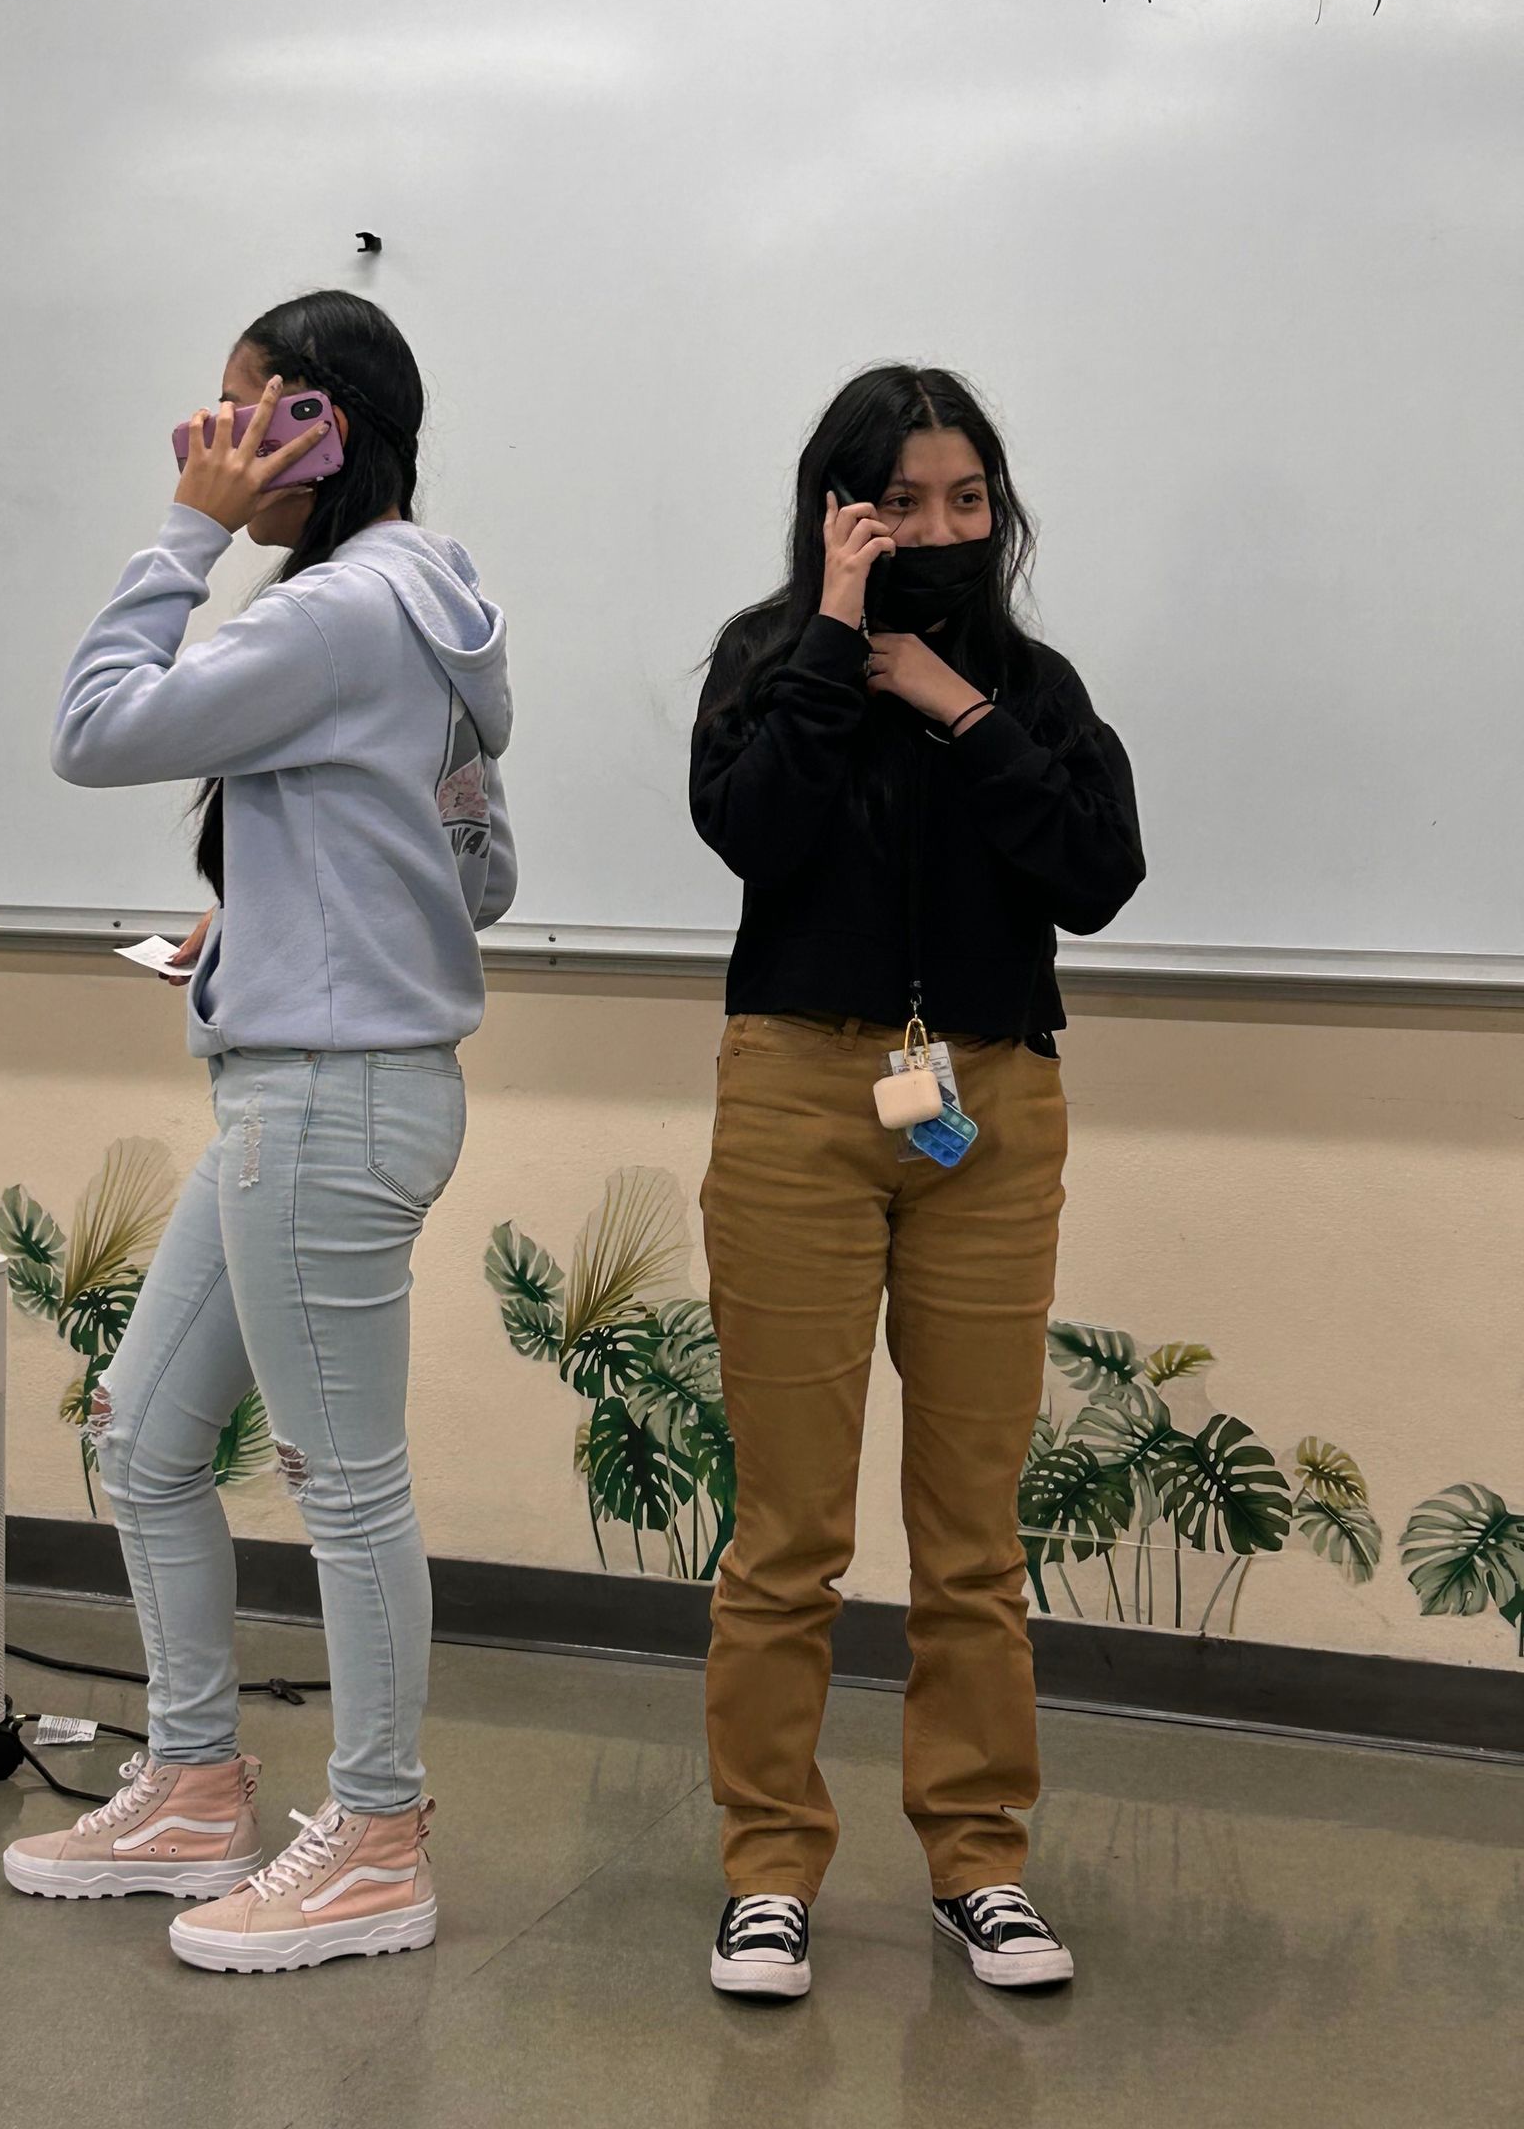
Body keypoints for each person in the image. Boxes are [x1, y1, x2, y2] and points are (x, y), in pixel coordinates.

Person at [5, 290, 515, 1978]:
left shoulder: (337, 615)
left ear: (320, 429)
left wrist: (183, 536)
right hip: (311, 1074)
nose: (209, 441)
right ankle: (197, 1782)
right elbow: (474, 873)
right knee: (147, 1442)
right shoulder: (425, 611)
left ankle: (376, 1837)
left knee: (345, 1486)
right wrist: (289, 914)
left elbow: (94, 728)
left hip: (329, 1097)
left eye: (239, 413)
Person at [692, 365, 1143, 2000]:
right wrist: (835, 640)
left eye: (970, 501)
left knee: (971, 1541)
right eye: (905, 504)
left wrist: (959, 705)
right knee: (787, 1536)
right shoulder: (767, 660)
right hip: (803, 1098)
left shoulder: (1033, 681)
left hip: (988, 1107)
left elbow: (1096, 874)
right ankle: (767, 1870)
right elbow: (752, 832)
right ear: (839, 509)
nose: (942, 529)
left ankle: (978, 1863)